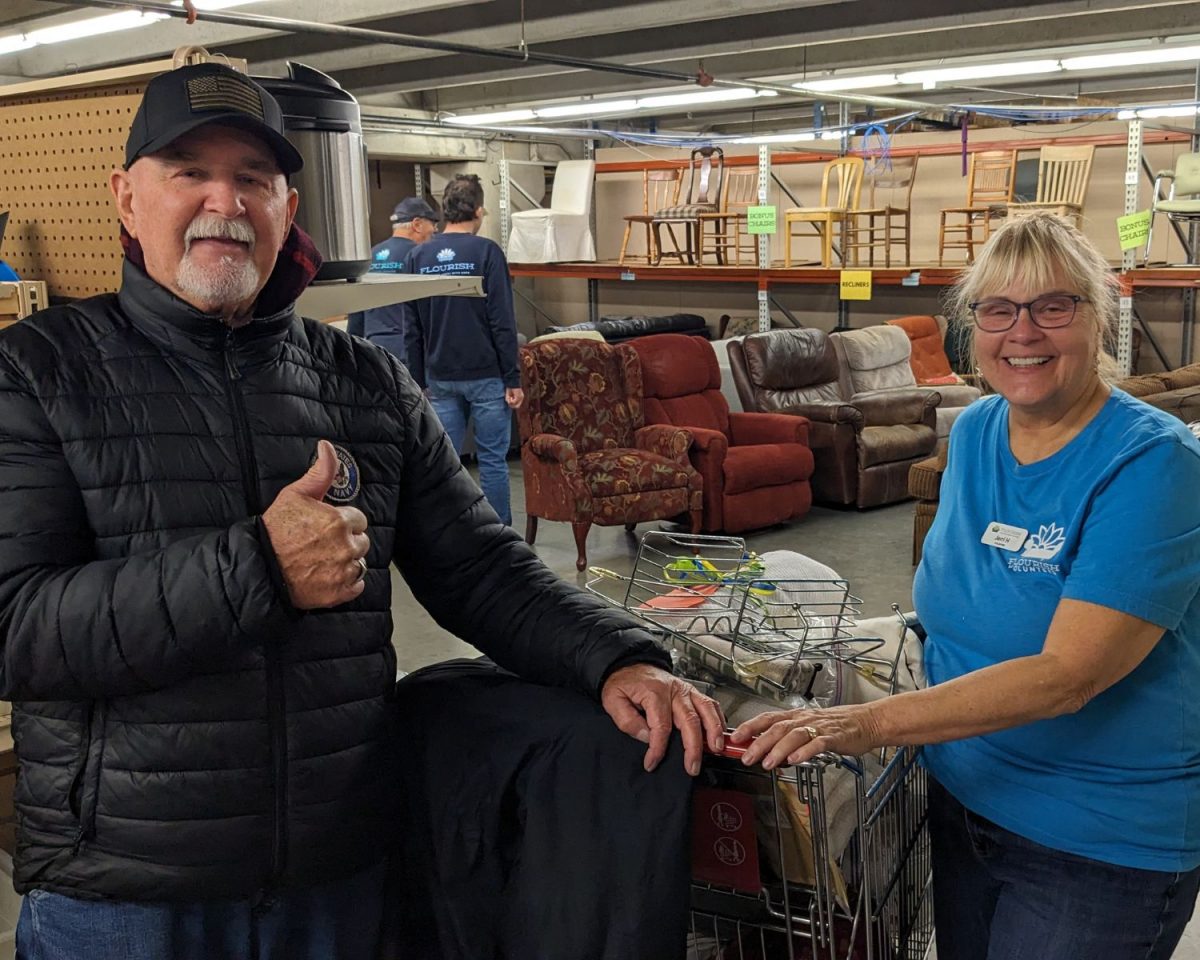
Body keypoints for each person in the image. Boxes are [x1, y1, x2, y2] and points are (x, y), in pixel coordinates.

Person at [0, 61, 724, 960]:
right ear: (126, 197)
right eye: (190, 170)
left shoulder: (365, 383)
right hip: (128, 895)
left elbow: (478, 566)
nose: (224, 200)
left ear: (286, 211)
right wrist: (256, 569)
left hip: (336, 879)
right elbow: (16, 626)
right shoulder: (37, 373)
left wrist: (614, 658)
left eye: (254, 179)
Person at [733, 212, 1200, 960]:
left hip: (1097, 839)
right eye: (997, 309)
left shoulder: (1155, 464)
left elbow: (1068, 676)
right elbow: (960, 604)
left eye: (1054, 306)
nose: (1023, 332)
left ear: (1099, 318)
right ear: (971, 326)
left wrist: (870, 723)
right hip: (961, 795)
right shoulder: (977, 429)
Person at [402, 174, 521, 526]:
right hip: (487, 376)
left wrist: (415, 379)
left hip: (439, 378)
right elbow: (502, 320)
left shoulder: (417, 256)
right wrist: (512, 378)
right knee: (493, 462)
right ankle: (501, 540)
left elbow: (413, 326)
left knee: (445, 464)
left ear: (445, 210)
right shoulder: (487, 253)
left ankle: (451, 538)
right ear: (479, 211)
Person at [344, 195, 438, 350]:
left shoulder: (369, 256)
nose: (434, 231)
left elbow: (356, 311)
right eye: (433, 225)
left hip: (373, 346)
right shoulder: (420, 256)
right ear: (417, 224)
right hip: (406, 346)